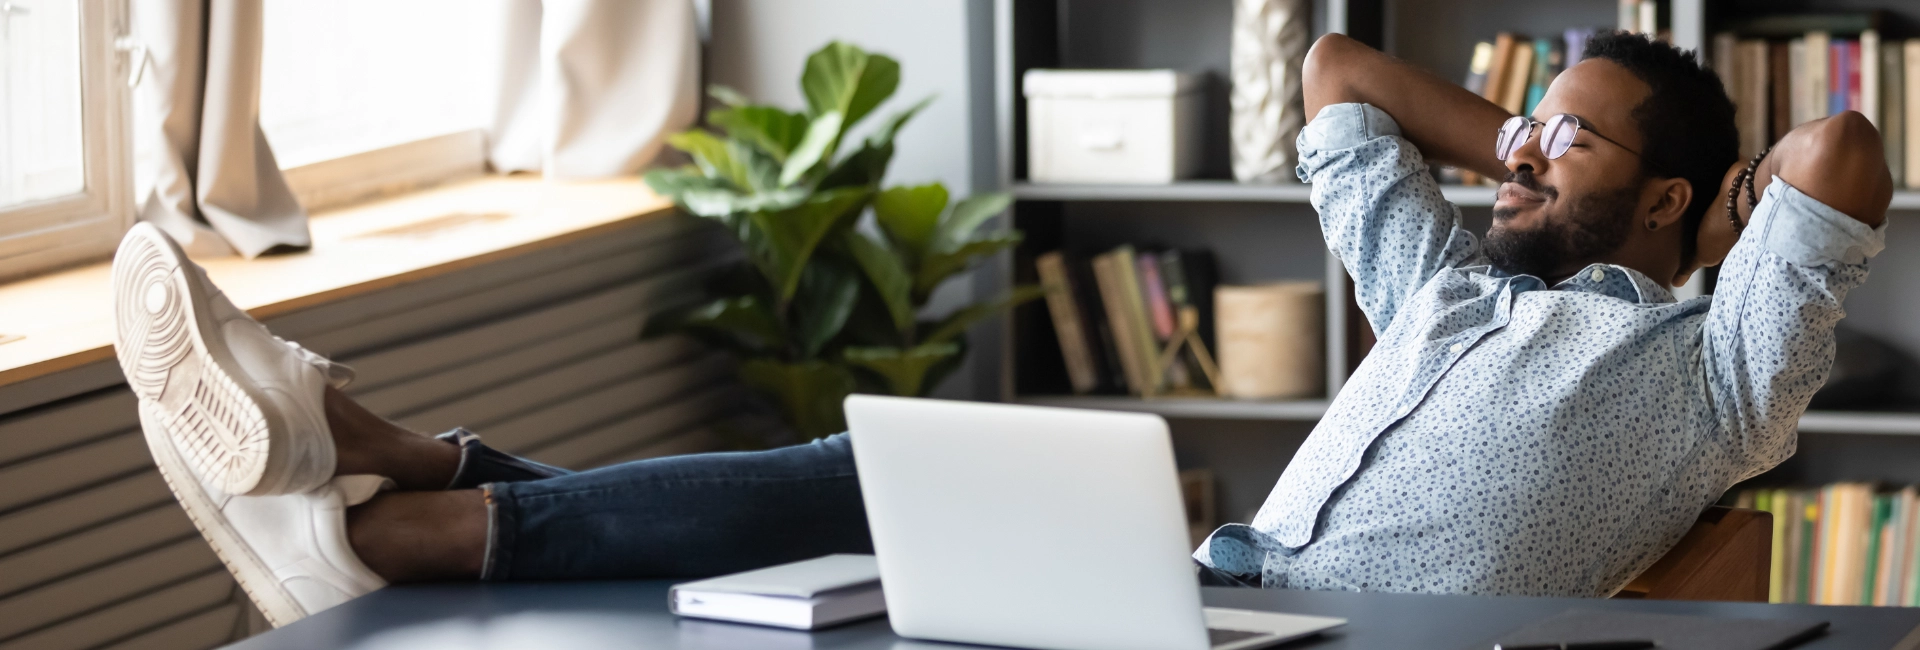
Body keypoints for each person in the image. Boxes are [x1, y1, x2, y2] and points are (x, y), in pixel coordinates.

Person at [116, 31, 1890, 626]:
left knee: (867, 518)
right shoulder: (1440, 278)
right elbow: (1340, 75)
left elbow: (1841, 150)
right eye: (1520, 119)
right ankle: (420, 495)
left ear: (1670, 201)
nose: (1514, 144)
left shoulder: (1717, 370)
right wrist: (1525, 148)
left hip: (1352, 646)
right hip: (1219, 587)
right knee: (876, 471)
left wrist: (1726, 224)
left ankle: (402, 505)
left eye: (1568, 133)